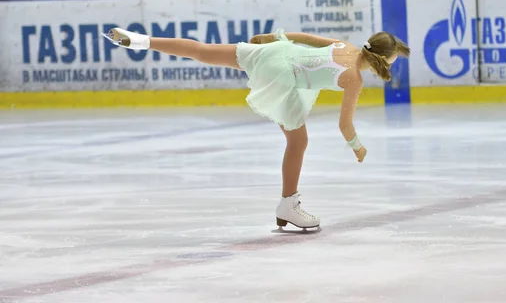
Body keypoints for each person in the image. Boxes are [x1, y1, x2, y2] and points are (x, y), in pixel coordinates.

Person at [102, 27, 410, 230]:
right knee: (298, 142)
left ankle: (140, 40)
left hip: (277, 53)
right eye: (394, 59)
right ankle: (288, 203)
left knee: (202, 50)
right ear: (384, 59)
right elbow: (344, 124)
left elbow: (301, 36)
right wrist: (357, 146)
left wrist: (270, 38)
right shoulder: (353, 78)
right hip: (283, 71)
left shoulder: (345, 45)